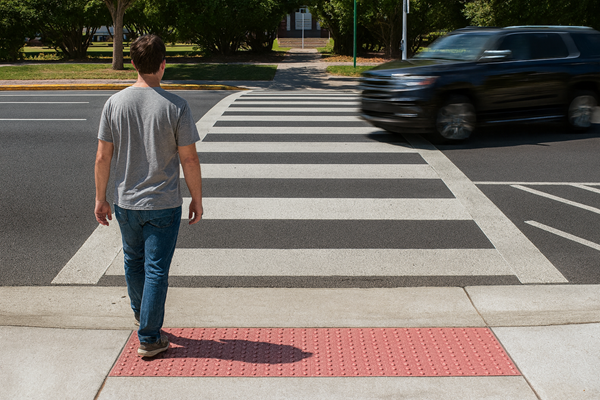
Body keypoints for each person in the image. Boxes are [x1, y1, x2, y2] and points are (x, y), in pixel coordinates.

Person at [94, 34, 203, 358]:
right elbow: (190, 159)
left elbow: (103, 157)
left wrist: (101, 198)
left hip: (126, 202)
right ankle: (150, 336)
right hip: (163, 203)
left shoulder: (114, 103)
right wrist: (197, 198)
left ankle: (143, 317)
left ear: (133, 64)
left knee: (133, 262)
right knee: (156, 269)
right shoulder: (176, 106)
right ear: (163, 64)